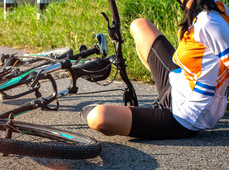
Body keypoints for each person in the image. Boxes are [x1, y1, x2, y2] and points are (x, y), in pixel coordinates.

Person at [80, 0, 229, 139]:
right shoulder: (209, 7)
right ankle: (151, 108)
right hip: (178, 84)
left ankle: (151, 114)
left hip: (184, 116)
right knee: (140, 25)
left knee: (97, 117)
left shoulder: (209, 23)